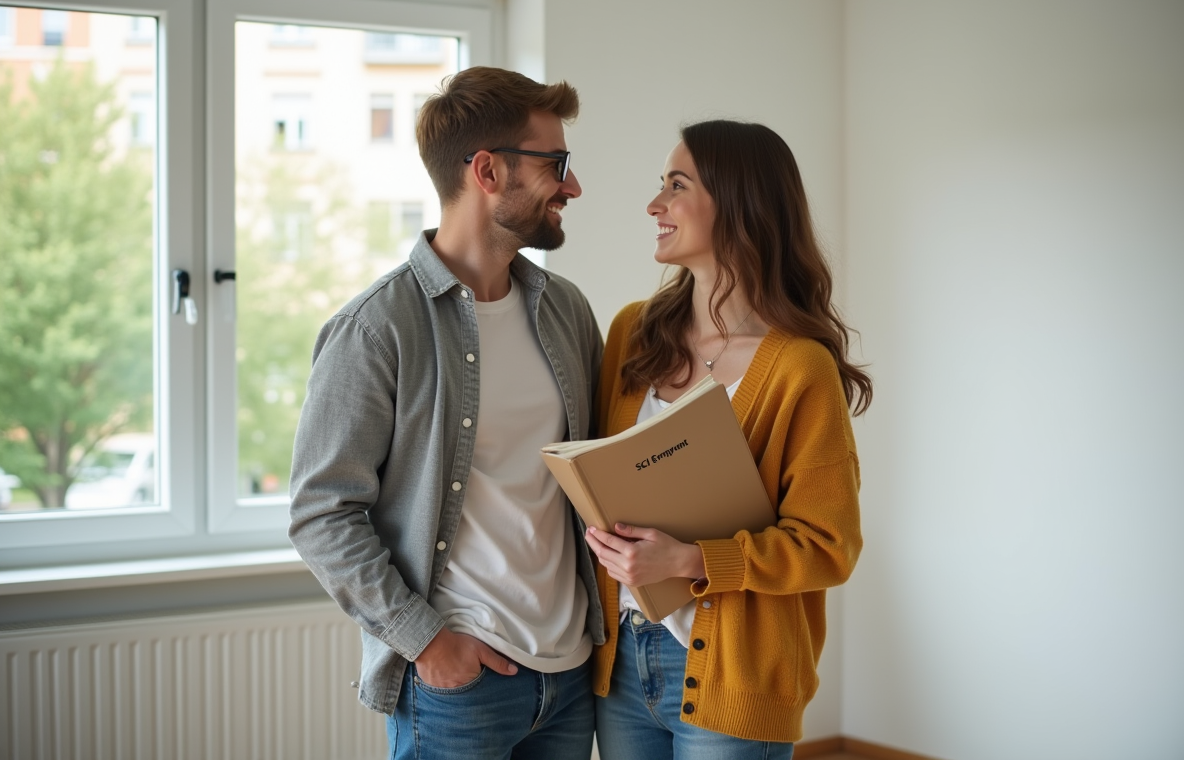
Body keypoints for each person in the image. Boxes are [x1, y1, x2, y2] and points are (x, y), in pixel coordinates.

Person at [288, 66, 605, 760]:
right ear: (487, 171)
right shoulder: (377, 329)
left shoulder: (567, 311)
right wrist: (422, 638)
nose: (572, 187)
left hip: (570, 671)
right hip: (459, 684)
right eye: (557, 164)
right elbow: (321, 510)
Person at [585, 119, 872, 759]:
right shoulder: (633, 333)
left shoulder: (799, 368)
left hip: (736, 675)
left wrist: (688, 561)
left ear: (737, 204)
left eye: (676, 185)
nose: (654, 204)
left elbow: (830, 547)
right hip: (621, 666)